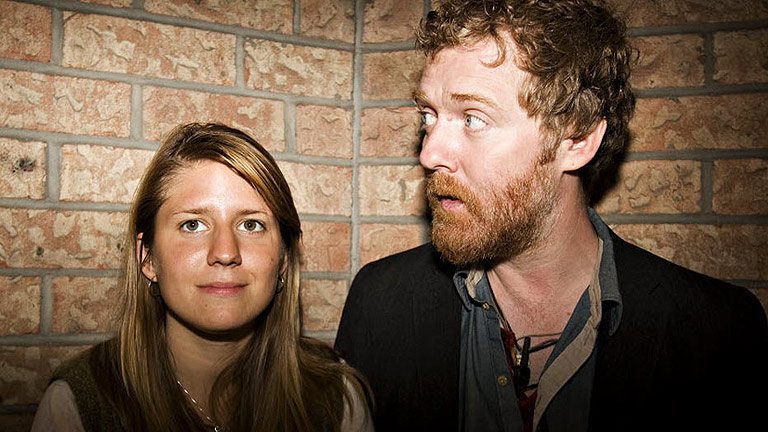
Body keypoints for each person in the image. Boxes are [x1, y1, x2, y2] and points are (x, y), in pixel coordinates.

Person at [334, 1, 768, 431]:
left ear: (577, 140)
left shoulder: (717, 331)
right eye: (429, 116)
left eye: (473, 119)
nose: (430, 153)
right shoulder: (380, 303)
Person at [31, 123, 372, 432]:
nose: (224, 252)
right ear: (148, 257)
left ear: (283, 258)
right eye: (192, 225)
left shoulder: (337, 401)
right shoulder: (75, 407)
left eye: (251, 224)